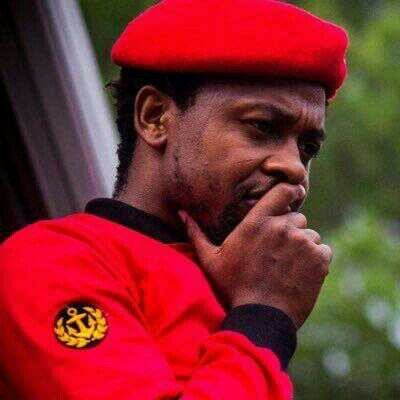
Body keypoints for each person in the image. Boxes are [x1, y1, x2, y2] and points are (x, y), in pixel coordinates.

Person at [0, 0, 348, 398]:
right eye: (263, 126)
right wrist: (264, 316)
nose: (295, 168)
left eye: (307, 148)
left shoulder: (241, 283)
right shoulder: (49, 263)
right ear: (154, 117)